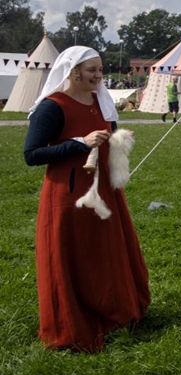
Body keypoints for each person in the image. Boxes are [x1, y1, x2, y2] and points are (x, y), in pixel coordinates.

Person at [23, 46, 150, 352]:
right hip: (67, 195)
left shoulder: (101, 100)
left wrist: (119, 139)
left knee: (103, 253)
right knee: (75, 256)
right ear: (74, 71)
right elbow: (32, 155)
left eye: (101, 70)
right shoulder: (52, 107)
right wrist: (79, 143)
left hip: (103, 191)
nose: (98, 75)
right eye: (92, 70)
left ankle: (113, 312)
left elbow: (109, 133)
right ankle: (74, 321)